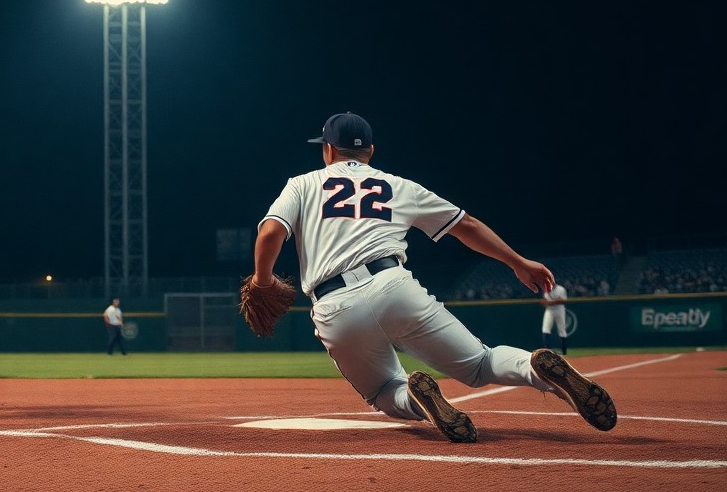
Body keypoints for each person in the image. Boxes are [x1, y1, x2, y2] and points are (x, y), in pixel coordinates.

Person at [252, 112, 617, 443]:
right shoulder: (399, 186)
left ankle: (413, 396)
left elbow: (270, 233)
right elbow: (466, 225)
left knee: (382, 390)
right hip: (394, 286)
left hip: (334, 305)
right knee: (480, 364)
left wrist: (262, 282)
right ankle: (534, 368)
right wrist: (518, 262)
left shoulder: (302, 184)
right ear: (371, 151)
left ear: (328, 150)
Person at [540, 281, 569, 354]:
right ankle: (548, 351)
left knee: (562, 329)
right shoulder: (546, 289)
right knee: (545, 329)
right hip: (549, 310)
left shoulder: (560, 289)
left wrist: (550, 302)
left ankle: (564, 351)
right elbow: (544, 299)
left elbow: (564, 300)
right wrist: (544, 302)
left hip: (560, 310)